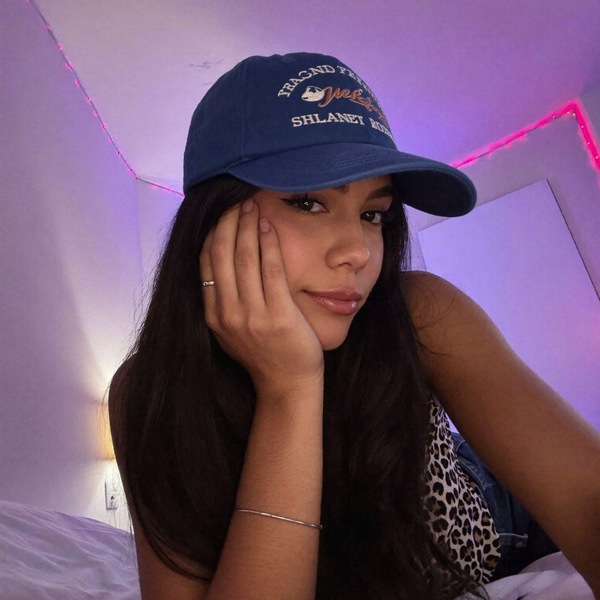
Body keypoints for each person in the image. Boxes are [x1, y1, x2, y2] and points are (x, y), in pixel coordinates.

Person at [109, 52, 600, 600]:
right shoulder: (147, 392)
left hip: (494, 514)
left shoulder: (421, 311)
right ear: (212, 222)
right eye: (308, 203)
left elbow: (587, 495)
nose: (360, 252)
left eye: (373, 214)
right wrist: (290, 389)